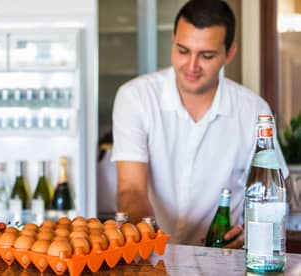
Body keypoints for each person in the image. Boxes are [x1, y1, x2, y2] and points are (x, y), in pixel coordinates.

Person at [111, 0, 288, 247]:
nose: (191, 66)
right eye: (183, 51)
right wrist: (151, 242)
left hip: (225, 261)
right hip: (153, 255)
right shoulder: (136, 97)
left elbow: (272, 196)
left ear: (229, 53)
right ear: (173, 40)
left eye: (206, 55)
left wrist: (249, 232)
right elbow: (131, 190)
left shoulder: (253, 111)